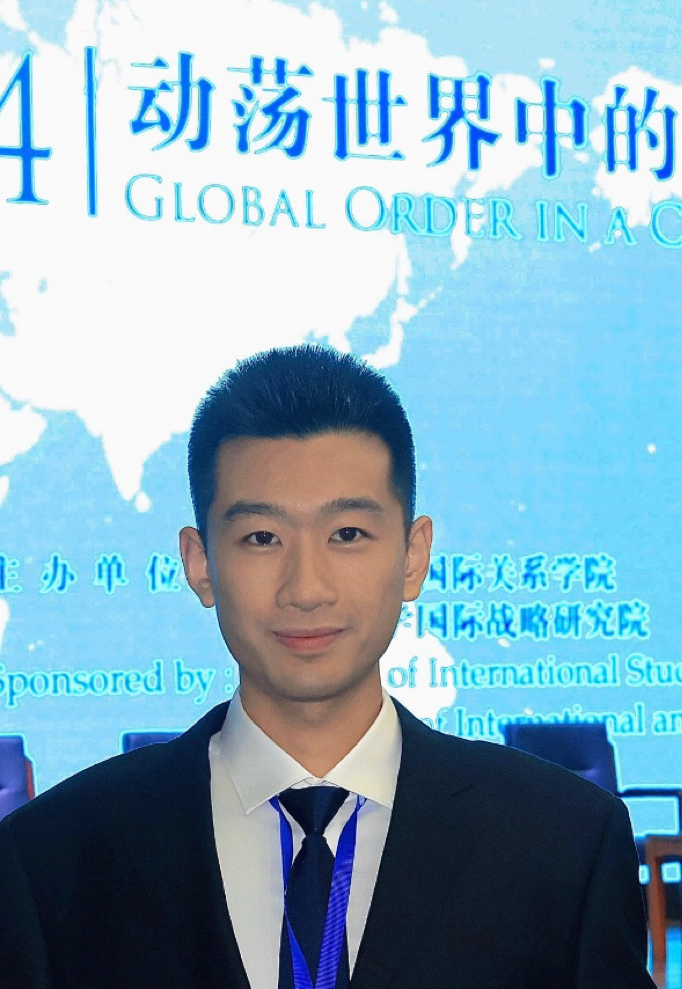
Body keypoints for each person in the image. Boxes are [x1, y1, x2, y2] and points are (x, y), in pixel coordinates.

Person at [0, 345, 654, 989]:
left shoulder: (563, 841)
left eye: (347, 534)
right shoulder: (54, 855)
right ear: (200, 565)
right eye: (262, 538)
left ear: (413, 557)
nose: (306, 589)